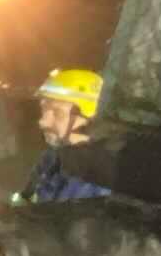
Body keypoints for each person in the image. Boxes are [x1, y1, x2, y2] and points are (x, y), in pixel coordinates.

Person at [12, 67, 107, 201]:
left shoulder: (100, 180)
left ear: (89, 120)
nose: (42, 122)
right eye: (44, 109)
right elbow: (27, 201)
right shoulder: (52, 157)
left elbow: (70, 220)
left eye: (58, 113)